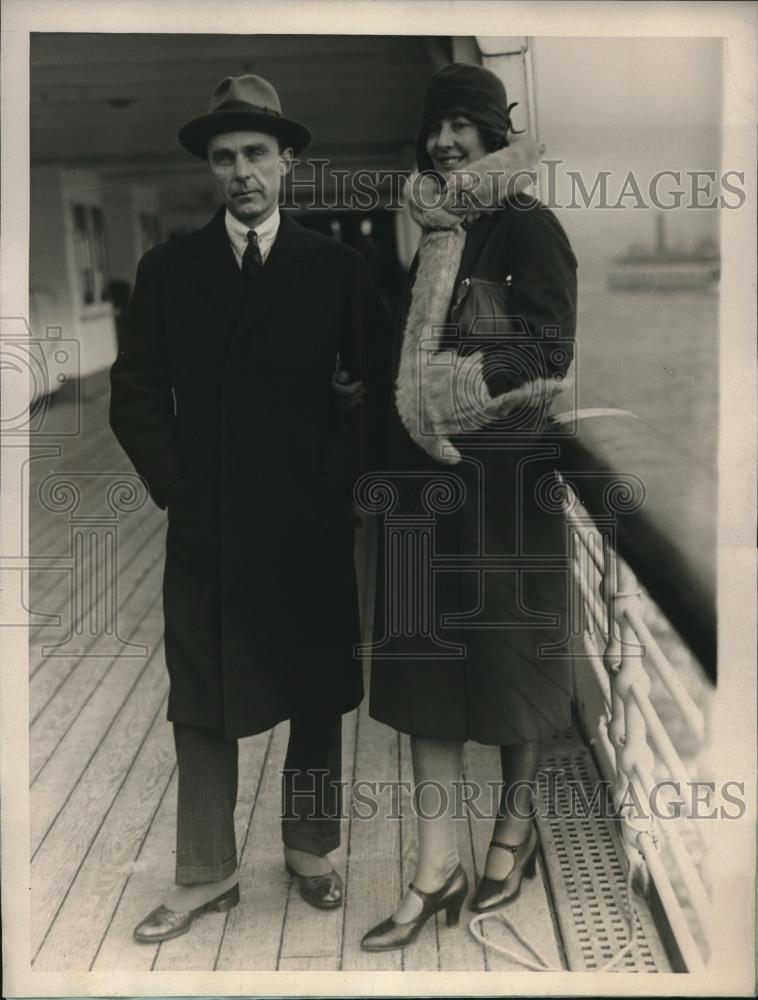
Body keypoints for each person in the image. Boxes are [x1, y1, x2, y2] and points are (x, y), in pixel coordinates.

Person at [109, 73, 390, 942]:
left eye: (256, 154)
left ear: (289, 163)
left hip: (303, 523)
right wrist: (181, 486)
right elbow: (136, 394)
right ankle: (206, 874)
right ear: (210, 169)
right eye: (224, 157)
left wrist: (336, 479)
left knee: (311, 688)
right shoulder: (168, 269)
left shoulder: (337, 267)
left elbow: (377, 388)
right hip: (210, 525)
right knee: (201, 697)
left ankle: (310, 851)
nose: (241, 172)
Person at [361, 62, 577, 951]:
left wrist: (448, 386)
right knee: (422, 683)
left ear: (495, 134)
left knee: (511, 671)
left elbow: (550, 350)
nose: (445, 143)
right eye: (436, 128)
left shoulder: (528, 226)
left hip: (503, 487)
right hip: (422, 490)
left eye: (462, 126)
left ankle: (514, 835)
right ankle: (433, 871)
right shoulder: (428, 227)